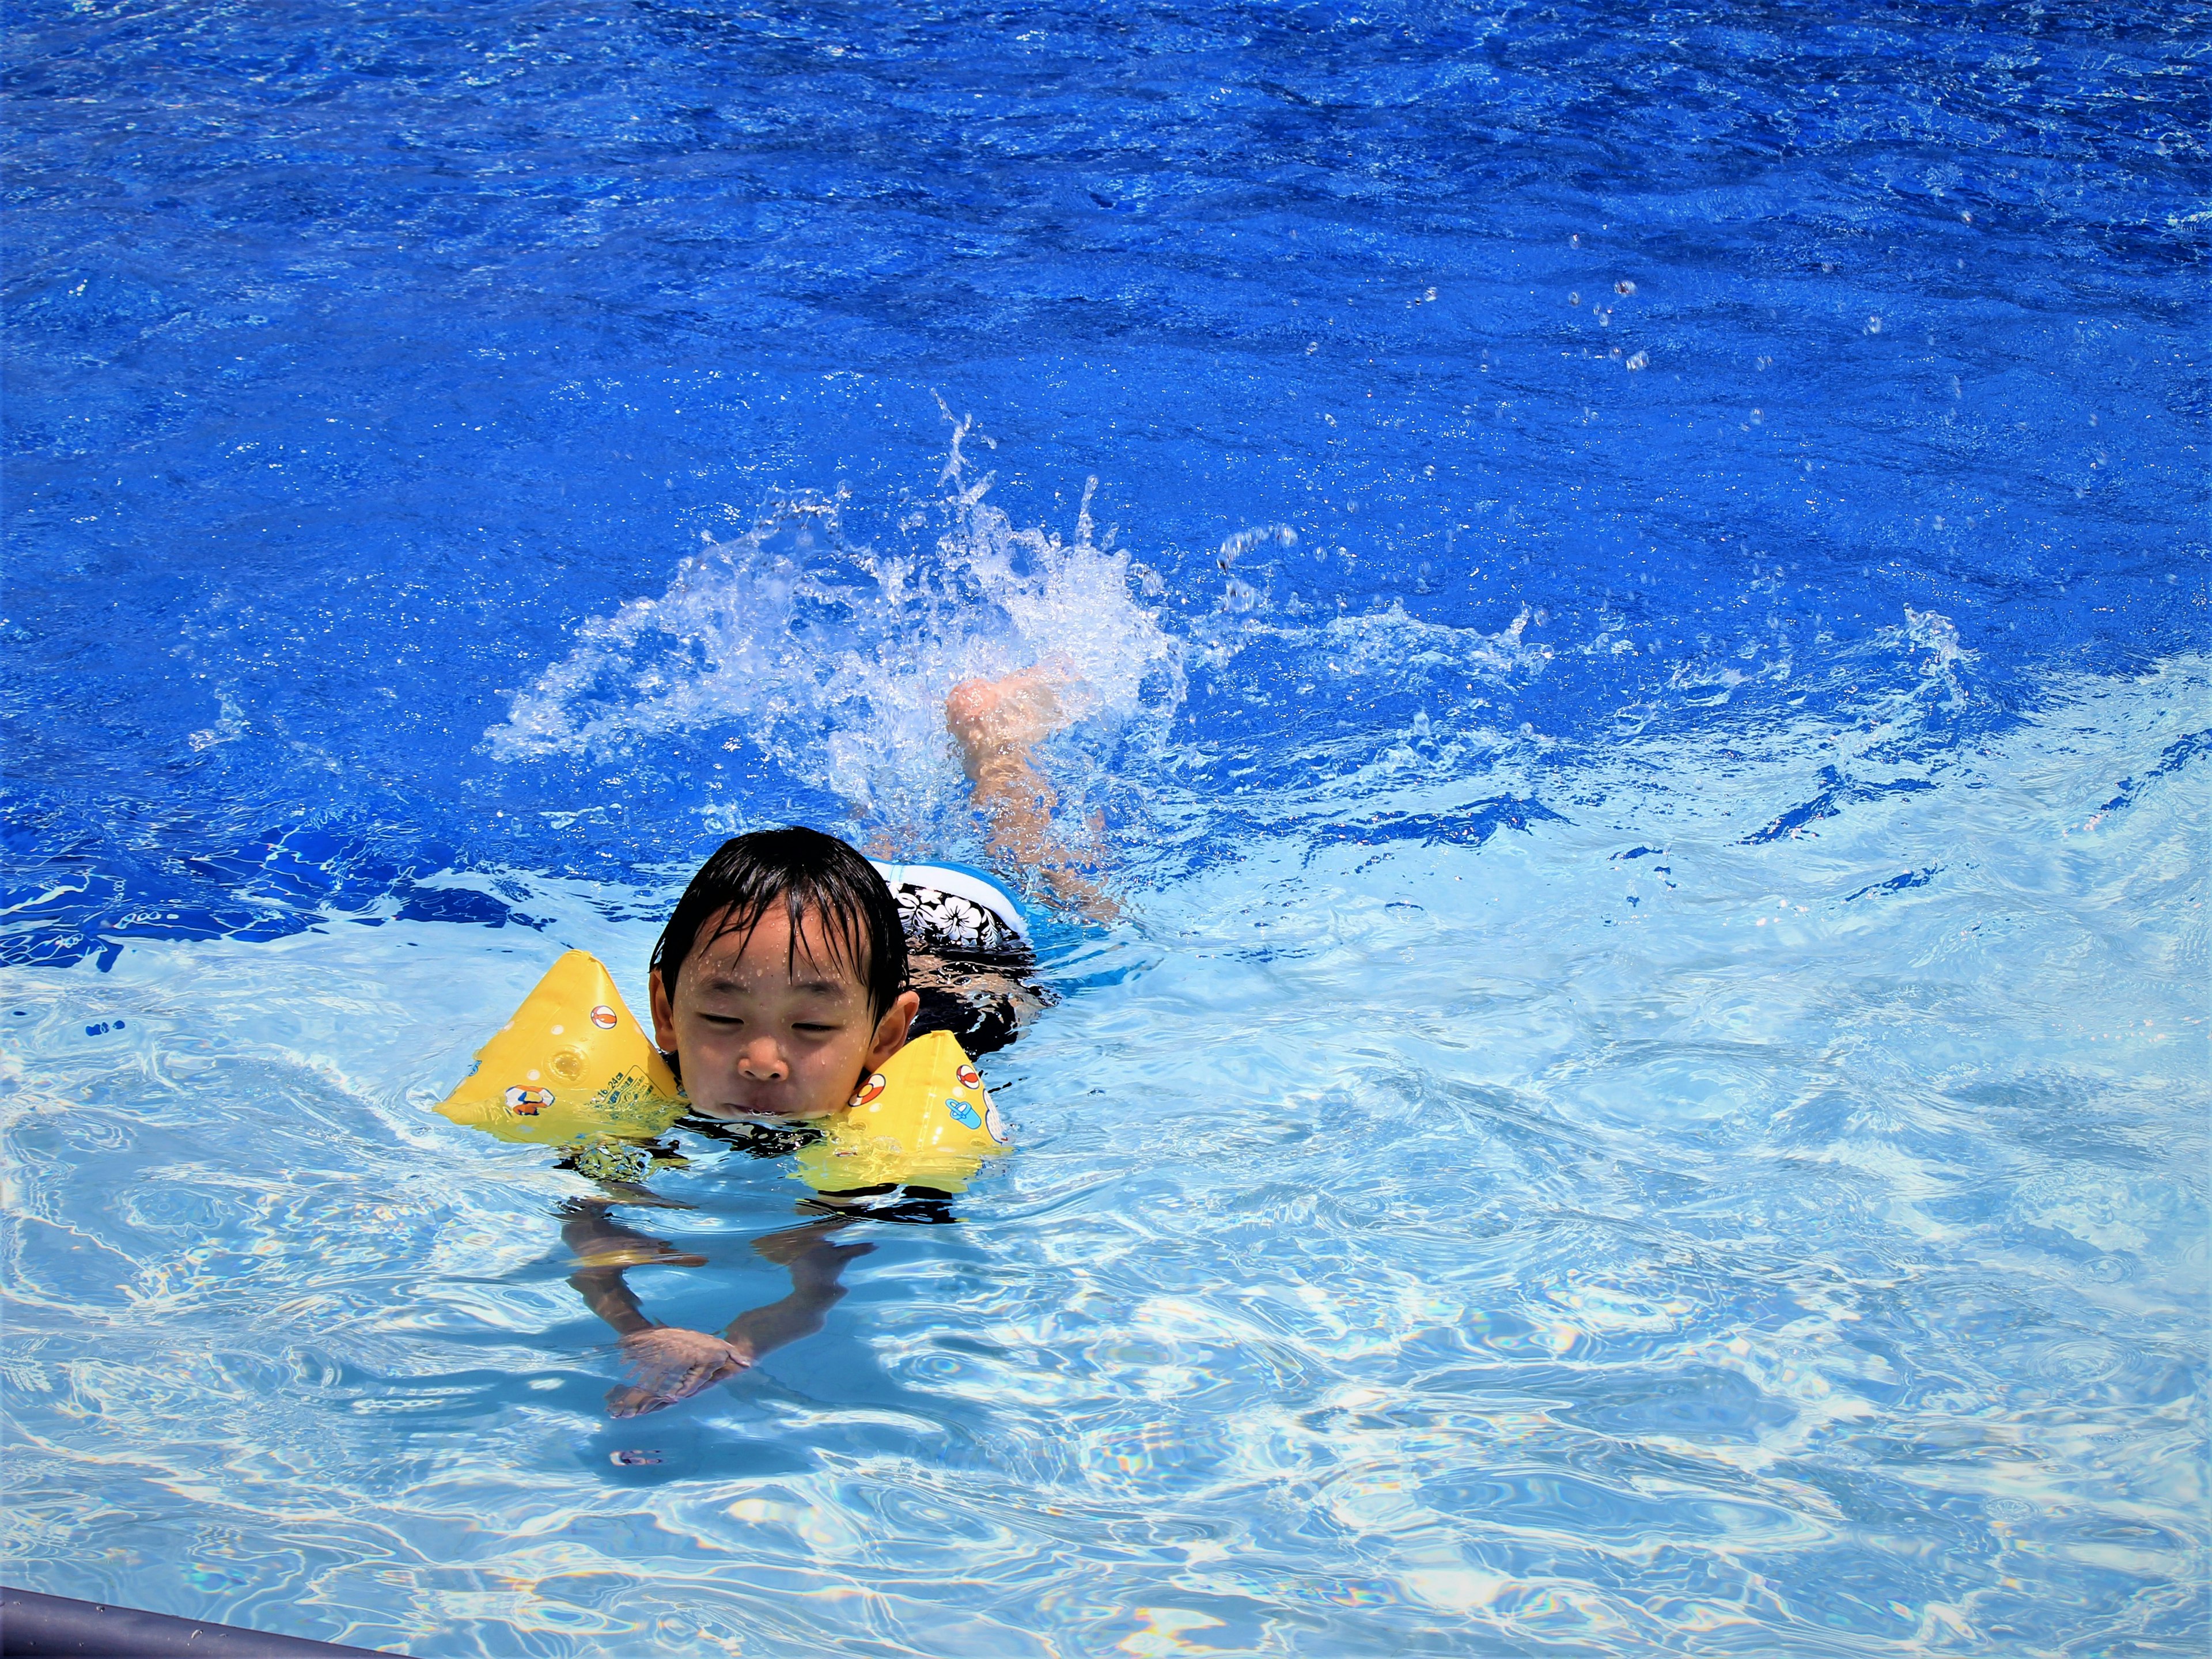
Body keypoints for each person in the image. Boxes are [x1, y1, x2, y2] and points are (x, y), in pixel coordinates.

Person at [567, 665, 1104, 1418]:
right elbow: (589, 1221)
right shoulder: (640, 1096)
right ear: (665, 1011)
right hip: (844, 939)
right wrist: (636, 1329)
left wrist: (740, 1346)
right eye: (721, 1021)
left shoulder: (883, 1130)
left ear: (886, 1037)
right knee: (846, 904)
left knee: (1056, 877)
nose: (762, 1059)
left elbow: (818, 1282)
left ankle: (1000, 751)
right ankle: (913, 774)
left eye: (811, 1033)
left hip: (977, 942)